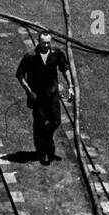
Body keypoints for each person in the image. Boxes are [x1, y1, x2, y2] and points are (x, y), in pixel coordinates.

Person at [15, 32, 73, 164]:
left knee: (56, 120)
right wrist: (29, 91)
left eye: (48, 42)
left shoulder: (56, 53)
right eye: (43, 42)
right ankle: (42, 151)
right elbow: (20, 75)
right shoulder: (30, 56)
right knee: (40, 123)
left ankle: (46, 139)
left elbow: (65, 68)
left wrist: (70, 86)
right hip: (37, 97)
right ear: (38, 42)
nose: (46, 45)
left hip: (52, 95)